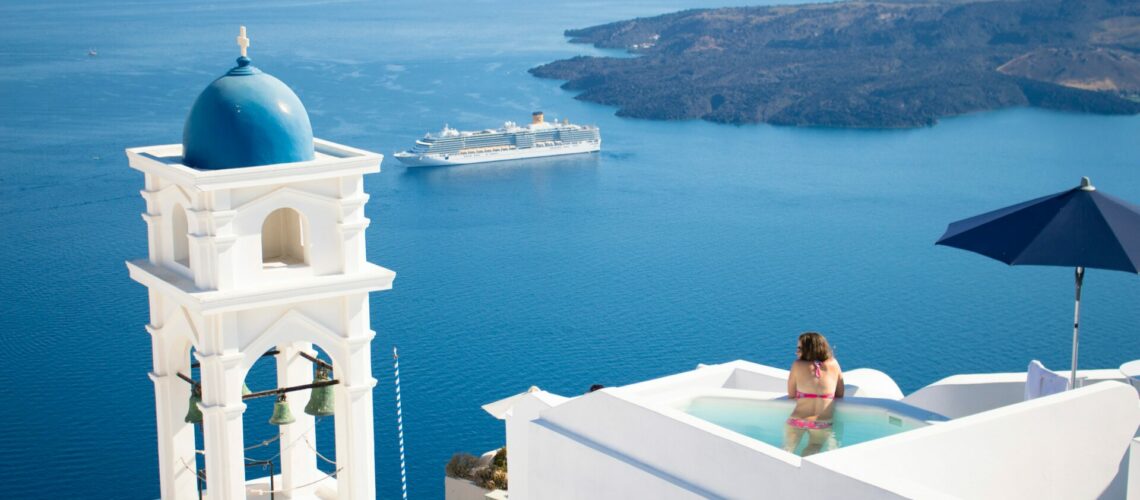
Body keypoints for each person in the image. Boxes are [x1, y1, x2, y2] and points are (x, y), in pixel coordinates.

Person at [784, 331, 844, 456]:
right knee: (813, 448)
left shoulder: (797, 365)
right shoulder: (834, 364)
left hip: (797, 420)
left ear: (809, 349)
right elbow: (840, 393)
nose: (796, 352)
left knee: (786, 451)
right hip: (821, 423)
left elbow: (791, 394)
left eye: (800, 348)